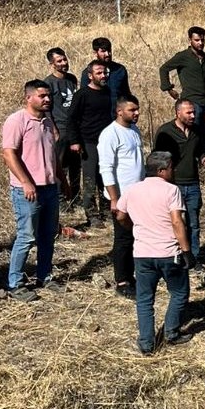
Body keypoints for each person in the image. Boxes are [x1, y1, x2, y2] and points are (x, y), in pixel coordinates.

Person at [117, 151, 196, 355]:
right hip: (169, 252)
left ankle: (146, 343)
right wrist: (187, 251)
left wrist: (133, 227)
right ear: (161, 171)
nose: (173, 170)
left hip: (142, 253)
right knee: (179, 293)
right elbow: (177, 221)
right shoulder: (171, 191)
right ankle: (171, 332)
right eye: (171, 167)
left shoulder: (132, 189)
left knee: (145, 299)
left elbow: (120, 215)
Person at [1, 80, 63, 302]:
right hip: (28, 190)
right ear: (28, 97)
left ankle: (44, 276)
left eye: (48, 95)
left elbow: (52, 154)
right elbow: (9, 154)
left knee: (48, 235)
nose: (47, 99)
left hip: (49, 188)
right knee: (27, 237)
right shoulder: (17, 121)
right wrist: (26, 182)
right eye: (42, 96)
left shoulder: (46, 122)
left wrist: (61, 178)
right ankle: (15, 283)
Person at [153, 99, 205, 269]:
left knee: (194, 223)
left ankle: (193, 258)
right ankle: (174, 255)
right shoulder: (166, 131)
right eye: (189, 113)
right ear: (178, 113)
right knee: (173, 222)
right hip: (173, 185)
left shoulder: (197, 131)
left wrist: (203, 158)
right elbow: (158, 159)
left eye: (194, 112)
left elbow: (200, 151)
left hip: (192, 183)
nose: (193, 115)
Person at [99, 95, 145, 299]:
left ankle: (132, 274)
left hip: (138, 195)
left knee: (137, 237)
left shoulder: (134, 130)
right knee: (123, 239)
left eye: (137, 109)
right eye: (132, 110)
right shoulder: (110, 134)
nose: (136, 113)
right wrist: (114, 199)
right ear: (119, 111)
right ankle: (122, 280)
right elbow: (106, 168)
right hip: (122, 197)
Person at [65, 62, 115, 227]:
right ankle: (92, 215)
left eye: (105, 72)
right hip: (88, 142)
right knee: (90, 180)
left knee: (106, 177)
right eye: (99, 73)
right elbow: (71, 119)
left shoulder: (107, 92)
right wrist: (75, 141)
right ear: (90, 75)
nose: (103, 76)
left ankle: (107, 211)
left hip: (106, 142)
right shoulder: (82, 94)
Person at [159, 26, 205, 137]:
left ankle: (203, 154)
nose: (200, 43)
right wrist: (169, 88)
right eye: (197, 40)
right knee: (194, 132)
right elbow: (164, 69)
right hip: (192, 101)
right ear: (190, 40)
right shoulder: (183, 56)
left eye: (202, 40)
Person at [43, 47, 81, 208]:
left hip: (75, 127)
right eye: (59, 61)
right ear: (52, 64)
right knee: (60, 164)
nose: (64, 63)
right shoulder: (49, 83)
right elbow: (47, 108)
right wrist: (54, 129)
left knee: (75, 164)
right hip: (60, 126)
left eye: (65, 59)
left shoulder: (72, 79)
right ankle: (60, 198)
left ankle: (74, 196)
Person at [80, 37, 131, 116]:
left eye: (109, 50)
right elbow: (84, 99)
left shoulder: (120, 70)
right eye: (103, 51)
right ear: (95, 53)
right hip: (98, 120)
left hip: (118, 118)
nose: (107, 54)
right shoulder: (88, 73)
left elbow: (126, 95)